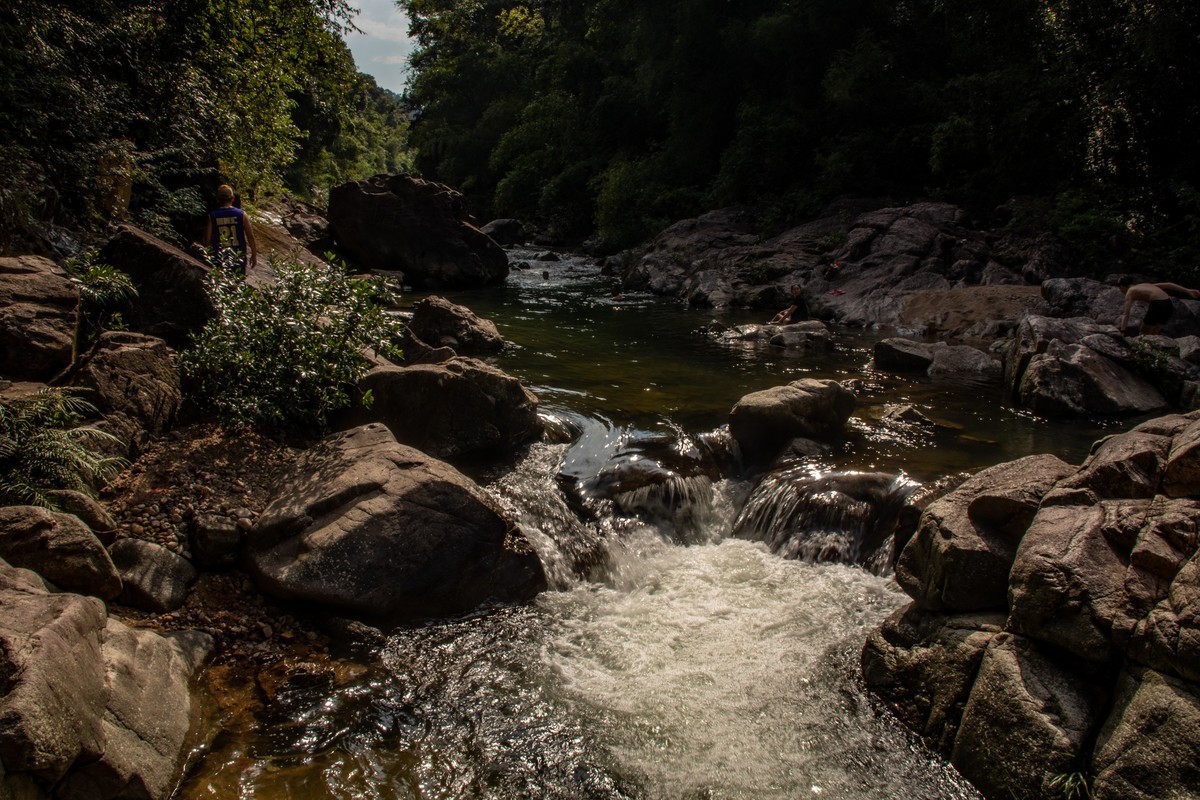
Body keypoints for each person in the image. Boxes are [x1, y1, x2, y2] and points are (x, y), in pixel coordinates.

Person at [203, 184, 257, 273]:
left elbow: (208, 240)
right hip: (238, 256)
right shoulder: (242, 214)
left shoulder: (212, 215)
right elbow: (250, 236)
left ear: (218, 199)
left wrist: (209, 256)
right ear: (233, 199)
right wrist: (254, 255)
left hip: (220, 256)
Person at [1117, 277, 1200, 335]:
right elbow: (1169, 284)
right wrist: (1188, 291)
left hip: (1158, 304)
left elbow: (1126, 314)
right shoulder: (1145, 285)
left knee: (1143, 334)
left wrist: (1123, 330)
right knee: (1154, 334)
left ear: (1121, 286)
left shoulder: (1130, 291)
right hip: (1169, 304)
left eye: (1120, 288)